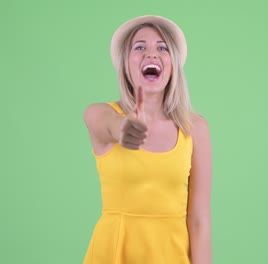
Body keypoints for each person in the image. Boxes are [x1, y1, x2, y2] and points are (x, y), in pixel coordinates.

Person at [82, 15, 212, 264]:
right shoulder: (100, 113)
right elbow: (108, 125)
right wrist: (123, 128)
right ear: (126, 63)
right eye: (139, 47)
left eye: (162, 47)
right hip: (113, 253)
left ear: (172, 63)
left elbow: (199, 221)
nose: (151, 54)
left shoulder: (195, 128)